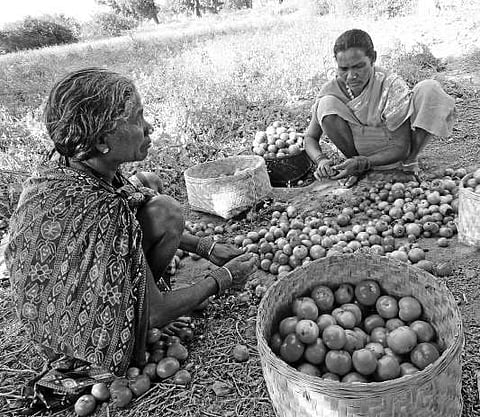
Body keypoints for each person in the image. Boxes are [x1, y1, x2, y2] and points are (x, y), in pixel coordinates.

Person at [4, 68, 257, 412]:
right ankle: (115, 336)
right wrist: (223, 279)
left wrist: (206, 247)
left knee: (150, 191)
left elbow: (135, 203)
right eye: (137, 118)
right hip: (75, 339)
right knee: (162, 208)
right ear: (101, 141)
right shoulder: (103, 214)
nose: (149, 126)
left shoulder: (72, 166)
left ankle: (133, 296)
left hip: (49, 318)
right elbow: (156, 313)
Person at [305, 29, 456, 187]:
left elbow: (400, 147)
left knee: (429, 89)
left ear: (373, 58)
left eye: (359, 66)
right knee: (326, 104)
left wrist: (365, 161)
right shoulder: (331, 89)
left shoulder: (389, 85)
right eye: (343, 69)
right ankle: (359, 170)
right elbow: (310, 137)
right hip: (358, 151)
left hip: (395, 150)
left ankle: (407, 166)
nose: (351, 76)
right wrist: (321, 160)